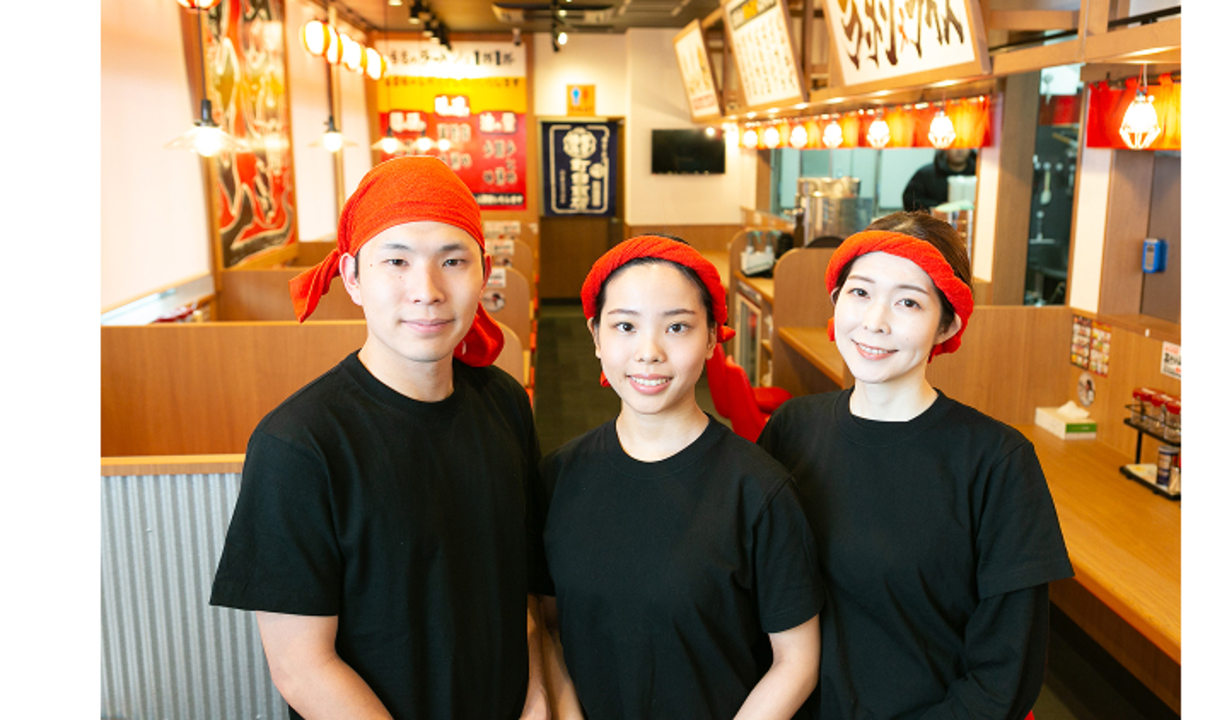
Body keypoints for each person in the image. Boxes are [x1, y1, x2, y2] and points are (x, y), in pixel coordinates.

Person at [209, 157, 548, 720]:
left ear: (484, 273)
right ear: (352, 277)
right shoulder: (299, 444)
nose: (427, 290)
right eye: (396, 261)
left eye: (453, 261)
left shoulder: (505, 403)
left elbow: (523, 589)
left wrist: (537, 697)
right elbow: (301, 666)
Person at [757, 212, 1074, 720]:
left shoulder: (997, 462)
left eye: (908, 302)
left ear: (948, 324)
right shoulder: (791, 429)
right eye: (860, 292)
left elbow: (1005, 677)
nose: (875, 321)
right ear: (836, 300)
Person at [534, 236, 825, 720]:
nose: (649, 352)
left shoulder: (758, 490)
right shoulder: (558, 476)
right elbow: (546, 624)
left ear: (711, 337)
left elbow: (796, 661)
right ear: (596, 336)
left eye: (677, 327)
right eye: (625, 326)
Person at [901, 148, 976, 211]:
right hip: (933, 222)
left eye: (964, 145)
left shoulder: (980, 174)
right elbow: (910, 200)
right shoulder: (925, 174)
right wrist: (938, 207)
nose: (959, 150)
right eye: (954, 145)